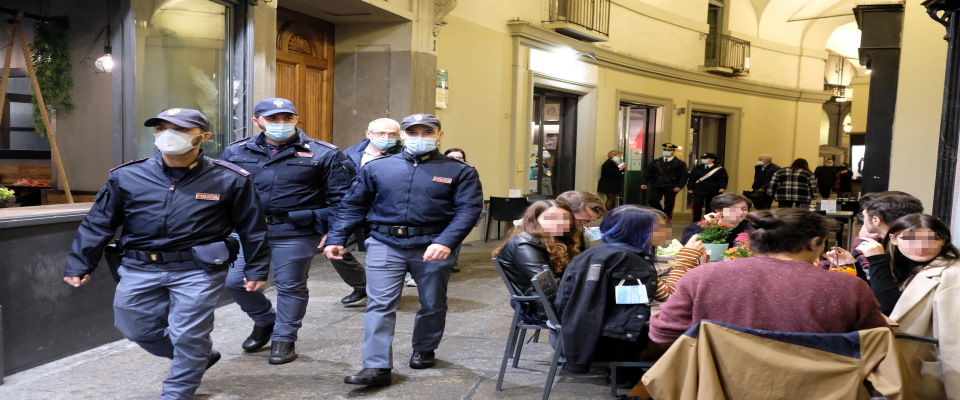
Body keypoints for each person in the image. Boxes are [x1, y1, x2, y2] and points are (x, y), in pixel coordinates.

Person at [63, 108, 271, 399]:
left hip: (199, 270)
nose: (168, 134)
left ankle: (177, 391)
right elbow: (98, 223)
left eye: (180, 129)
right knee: (135, 328)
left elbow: (252, 228)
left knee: (188, 334)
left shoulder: (230, 179)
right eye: (161, 128)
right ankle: (198, 357)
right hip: (138, 268)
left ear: (204, 137)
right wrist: (80, 262)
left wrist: (257, 269)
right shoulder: (127, 176)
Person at [323, 113, 483, 387]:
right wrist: (336, 236)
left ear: (439, 136)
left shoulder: (459, 171)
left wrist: (446, 241)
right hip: (386, 244)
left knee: (432, 303)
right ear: (404, 135)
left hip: (432, 246)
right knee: (379, 304)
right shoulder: (378, 168)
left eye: (427, 133)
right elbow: (353, 205)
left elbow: (468, 211)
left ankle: (424, 347)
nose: (420, 138)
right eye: (414, 132)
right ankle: (376, 367)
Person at [219, 98, 355, 364]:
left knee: (290, 285)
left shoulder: (324, 153)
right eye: (273, 119)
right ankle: (265, 321)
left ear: (295, 118)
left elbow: (341, 199)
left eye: (287, 118)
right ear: (257, 121)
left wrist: (336, 235)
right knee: (234, 282)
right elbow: (224, 192)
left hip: (295, 230)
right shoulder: (236, 152)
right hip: (247, 230)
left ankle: (284, 338)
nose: (281, 124)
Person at [648, 209, 888, 350]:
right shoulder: (848, 287)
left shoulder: (703, 277)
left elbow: (662, 334)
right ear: (816, 242)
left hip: (722, 385)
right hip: (818, 388)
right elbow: (876, 345)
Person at [555, 206, 704, 373]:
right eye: (660, 228)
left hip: (585, 336)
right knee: (696, 329)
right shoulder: (626, 260)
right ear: (638, 231)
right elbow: (667, 295)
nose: (666, 232)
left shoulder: (603, 252)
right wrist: (686, 260)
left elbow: (629, 300)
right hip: (612, 342)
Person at [857, 214, 960, 398]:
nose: (920, 247)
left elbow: (954, 342)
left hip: (930, 369)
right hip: (902, 363)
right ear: (893, 239)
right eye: (910, 239)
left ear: (944, 240)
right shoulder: (903, 265)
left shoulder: (952, 275)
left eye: (932, 239)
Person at [334, 118, 405, 303]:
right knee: (335, 250)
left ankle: (385, 296)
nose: (387, 137)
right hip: (355, 211)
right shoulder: (349, 154)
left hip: (387, 214)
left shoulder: (405, 155)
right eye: (381, 133)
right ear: (368, 134)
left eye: (392, 134)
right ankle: (361, 285)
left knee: (386, 257)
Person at [492, 200, 580, 323]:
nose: (559, 223)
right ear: (534, 220)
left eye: (565, 219)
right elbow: (549, 284)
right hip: (540, 306)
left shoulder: (557, 238)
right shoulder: (523, 245)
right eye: (551, 218)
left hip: (556, 300)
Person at [819, 191, 924, 293]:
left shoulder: (910, 250)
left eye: (863, 216)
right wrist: (853, 264)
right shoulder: (897, 242)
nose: (862, 220)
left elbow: (887, 302)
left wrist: (877, 259)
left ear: (876, 220)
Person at [680, 193, 752, 246]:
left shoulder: (752, 228)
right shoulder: (697, 227)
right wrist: (709, 226)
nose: (740, 212)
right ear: (718, 210)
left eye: (744, 209)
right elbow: (686, 246)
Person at [640, 143, 687, 220]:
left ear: (673, 151)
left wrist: (679, 186)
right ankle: (662, 214)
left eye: (669, 150)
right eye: (665, 150)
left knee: (669, 203)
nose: (666, 151)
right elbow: (648, 172)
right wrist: (643, 183)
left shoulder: (679, 163)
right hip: (656, 184)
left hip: (671, 185)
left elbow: (683, 176)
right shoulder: (656, 162)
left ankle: (667, 217)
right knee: (652, 200)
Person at [444, 147, 470, 272]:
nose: (455, 161)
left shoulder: (468, 174)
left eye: (459, 158)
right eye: (451, 158)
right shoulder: (439, 172)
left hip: (457, 213)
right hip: (442, 213)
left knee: (456, 238)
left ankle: (453, 262)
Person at [686, 153, 727, 222]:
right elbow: (692, 179)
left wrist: (722, 187)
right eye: (703, 158)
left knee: (710, 206)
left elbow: (723, 179)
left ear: (712, 160)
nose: (704, 160)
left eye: (706, 158)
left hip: (713, 190)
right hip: (699, 189)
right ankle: (696, 221)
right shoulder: (698, 168)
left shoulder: (719, 169)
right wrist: (690, 188)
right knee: (697, 205)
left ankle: (708, 221)